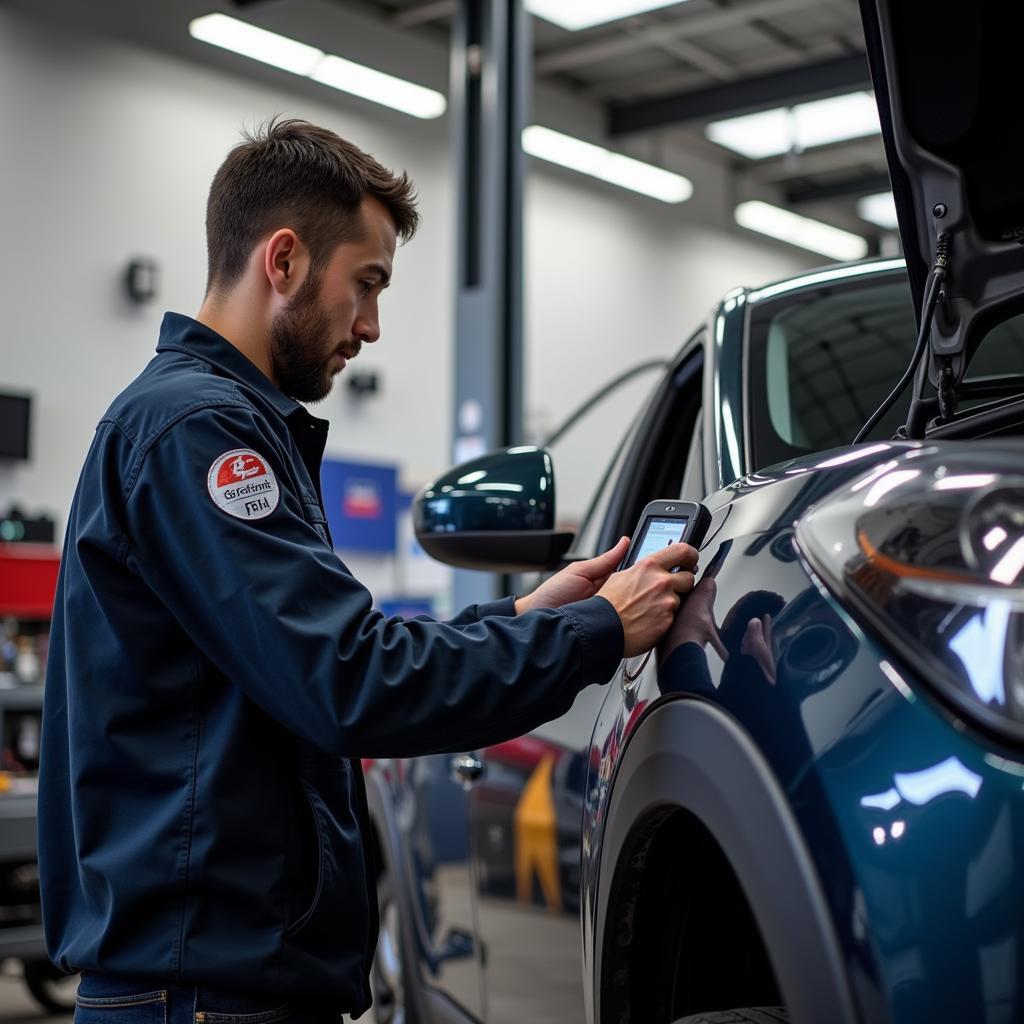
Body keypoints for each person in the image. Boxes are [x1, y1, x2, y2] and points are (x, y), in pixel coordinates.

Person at [38, 119, 697, 1024]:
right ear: (283, 260)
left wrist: (524, 615)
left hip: (219, 986)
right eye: (367, 284)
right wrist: (592, 632)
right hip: (202, 998)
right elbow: (350, 680)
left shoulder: (221, 427)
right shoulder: (199, 433)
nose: (372, 326)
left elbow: (335, 647)